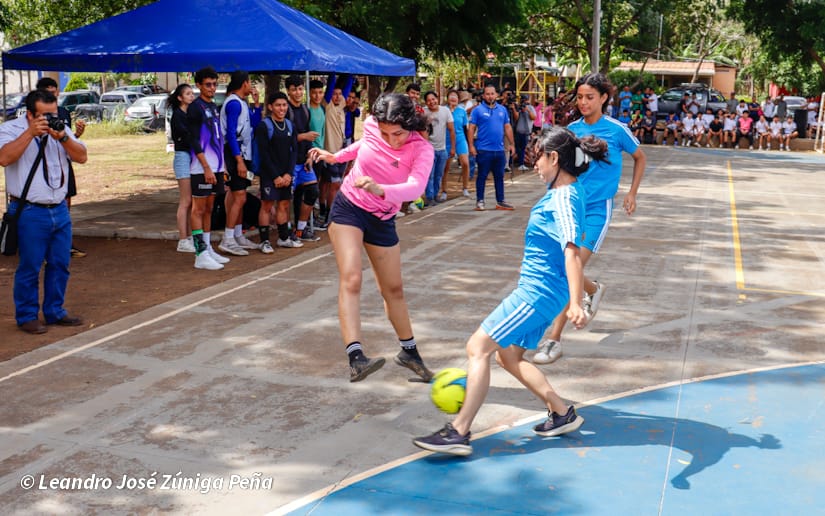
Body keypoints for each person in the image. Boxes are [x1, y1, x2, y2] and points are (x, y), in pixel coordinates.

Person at [412, 127, 606, 456]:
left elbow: (572, 251)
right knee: (508, 355)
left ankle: (458, 431)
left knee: (478, 347)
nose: (535, 165)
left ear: (554, 158)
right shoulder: (566, 191)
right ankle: (561, 413)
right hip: (544, 290)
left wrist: (576, 302)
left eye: (538, 158)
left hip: (537, 293)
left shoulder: (564, 197)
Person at [308, 93, 436, 383]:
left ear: (411, 125)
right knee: (352, 277)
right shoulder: (371, 127)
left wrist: (381, 190)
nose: (392, 140)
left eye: (399, 133)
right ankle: (356, 358)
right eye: (386, 132)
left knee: (393, 289)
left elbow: (415, 188)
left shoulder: (422, 150)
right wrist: (336, 157)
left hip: (382, 217)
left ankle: (409, 352)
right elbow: (363, 145)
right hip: (349, 209)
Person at [534, 72, 646, 365]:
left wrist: (631, 193)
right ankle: (593, 289)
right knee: (565, 268)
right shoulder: (571, 131)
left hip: (598, 210)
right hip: (572, 205)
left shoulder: (617, 130)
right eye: (580, 97)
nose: (583, 102)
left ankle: (552, 340)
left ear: (604, 98)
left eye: (590, 97)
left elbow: (640, 157)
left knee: (566, 272)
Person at [0, 89, 88, 334]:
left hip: (59, 209)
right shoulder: (10, 129)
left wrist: (63, 137)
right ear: (29, 114)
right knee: (30, 265)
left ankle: (54, 311)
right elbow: (4, 158)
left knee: (60, 263)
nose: (50, 119)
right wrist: (30, 133)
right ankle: (27, 315)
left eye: (53, 113)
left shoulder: (60, 128)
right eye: (44, 116)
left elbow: (82, 156)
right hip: (29, 210)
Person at [35, 77, 86, 258]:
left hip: (63, 164)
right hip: (42, 166)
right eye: (48, 92)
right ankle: (44, 245)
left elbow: (70, 141)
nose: (53, 95)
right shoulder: (32, 114)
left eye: (55, 92)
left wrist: (77, 134)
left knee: (66, 201)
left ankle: (65, 242)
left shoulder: (63, 112)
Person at [187, 67, 230, 270]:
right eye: (208, 84)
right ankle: (199, 252)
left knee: (210, 209)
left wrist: (223, 166)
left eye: (214, 84)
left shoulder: (213, 106)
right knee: (199, 209)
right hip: (202, 167)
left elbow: (218, 138)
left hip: (216, 166)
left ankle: (207, 247)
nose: (212, 88)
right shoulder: (195, 108)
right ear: (199, 85)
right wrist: (206, 167)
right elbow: (194, 141)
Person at [219, 71, 262, 256]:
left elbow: (253, 123)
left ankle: (236, 234)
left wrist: (257, 104)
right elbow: (230, 133)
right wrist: (238, 160)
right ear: (244, 83)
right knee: (240, 197)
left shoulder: (241, 103)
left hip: (241, 152)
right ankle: (228, 238)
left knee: (238, 196)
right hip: (235, 153)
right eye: (249, 82)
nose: (251, 85)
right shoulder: (234, 103)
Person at [255, 92, 298, 254]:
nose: (282, 108)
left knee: (284, 204)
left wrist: (288, 174)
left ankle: (283, 237)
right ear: (270, 107)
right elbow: (264, 153)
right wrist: (275, 176)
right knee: (266, 205)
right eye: (278, 105)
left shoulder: (290, 125)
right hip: (270, 174)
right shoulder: (264, 126)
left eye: (284, 105)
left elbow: (294, 151)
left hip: (285, 174)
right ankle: (264, 241)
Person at [284, 75, 321, 243]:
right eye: (294, 89)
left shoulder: (305, 110)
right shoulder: (285, 110)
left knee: (312, 191)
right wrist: (303, 136)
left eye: (300, 89)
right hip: (289, 161)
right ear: (288, 91)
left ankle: (300, 229)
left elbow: (308, 137)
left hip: (303, 160)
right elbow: (284, 137)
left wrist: (309, 156)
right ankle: (287, 231)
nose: (298, 92)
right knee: (288, 199)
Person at [467, 84, 516, 211]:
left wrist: (511, 144)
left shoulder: (502, 110)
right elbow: (471, 128)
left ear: (496, 95)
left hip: (499, 150)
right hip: (483, 150)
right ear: (483, 96)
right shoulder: (477, 110)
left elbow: (507, 127)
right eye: (487, 94)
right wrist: (471, 145)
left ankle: (500, 201)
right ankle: (480, 201)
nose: (490, 96)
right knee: (482, 176)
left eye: (492, 93)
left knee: (499, 176)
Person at [168, 83, 196, 253]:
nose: (191, 96)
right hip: (182, 157)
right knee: (185, 200)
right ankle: (183, 239)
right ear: (180, 97)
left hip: (191, 156)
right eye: (188, 94)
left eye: (192, 93)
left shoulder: (189, 114)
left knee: (192, 200)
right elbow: (186, 137)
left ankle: (191, 236)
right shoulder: (178, 116)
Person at [423, 90, 455, 205]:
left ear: (438, 99)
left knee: (438, 174)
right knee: (429, 175)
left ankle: (435, 195)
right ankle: (429, 197)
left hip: (442, 149)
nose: (432, 102)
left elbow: (451, 130)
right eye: (429, 100)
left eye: (433, 99)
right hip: (428, 150)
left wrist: (452, 147)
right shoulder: (424, 113)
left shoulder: (445, 111)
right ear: (426, 103)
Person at [444, 90, 471, 198]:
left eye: (455, 96)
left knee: (465, 163)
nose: (453, 98)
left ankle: (465, 188)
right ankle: (444, 191)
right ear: (447, 98)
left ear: (458, 99)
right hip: (447, 140)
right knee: (446, 166)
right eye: (451, 95)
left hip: (460, 138)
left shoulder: (462, 111)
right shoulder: (444, 110)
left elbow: (465, 128)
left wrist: (469, 143)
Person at [513, 94, 537, 171]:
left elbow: (533, 117)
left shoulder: (530, 107)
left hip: (526, 131)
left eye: (525, 99)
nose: (524, 101)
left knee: (522, 148)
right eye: (523, 99)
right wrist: (517, 110)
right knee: (517, 148)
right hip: (518, 131)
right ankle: (517, 162)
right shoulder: (518, 108)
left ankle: (521, 164)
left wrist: (527, 110)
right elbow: (516, 118)